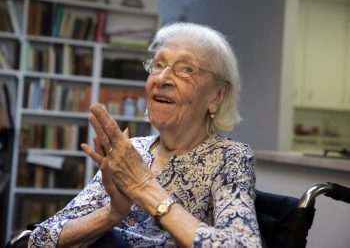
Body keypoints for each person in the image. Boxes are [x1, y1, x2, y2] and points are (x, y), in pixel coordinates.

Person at [29, 22, 262, 247]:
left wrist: (143, 187)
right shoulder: (132, 150)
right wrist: (112, 213)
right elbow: (41, 239)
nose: (161, 79)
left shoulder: (229, 157)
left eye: (186, 69)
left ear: (217, 96)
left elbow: (242, 244)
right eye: (158, 65)